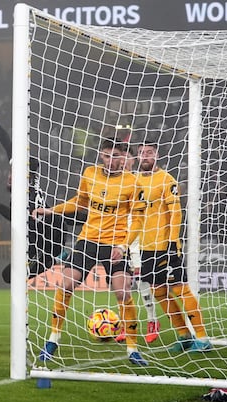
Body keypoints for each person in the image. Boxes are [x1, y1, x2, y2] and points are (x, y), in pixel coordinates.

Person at [32, 139, 149, 366]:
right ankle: (53, 339)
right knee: (66, 284)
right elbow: (80, 202)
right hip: (88, 239)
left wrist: (123, 246)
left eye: (115, 156)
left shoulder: (132, 182)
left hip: (115, 244)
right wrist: (50, 210)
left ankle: (133, 349)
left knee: (123, 292)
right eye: (106, 156)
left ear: (123, 157)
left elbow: (139, 220)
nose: (110, 161)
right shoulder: (90, 173)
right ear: (101, 155)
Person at [0, 98, 67, 283]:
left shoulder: (28, 186)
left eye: (14, 173)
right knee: (8, 276)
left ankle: (52, 257)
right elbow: (9, 148)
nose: (10, 175)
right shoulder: (18, 194)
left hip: (52, 236)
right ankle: (37, 263)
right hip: (35, 240)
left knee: (52, 222)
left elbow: (10, 148)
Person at [136, 142, 212, 352]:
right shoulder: (134, 181)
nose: (145, 157)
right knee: (158, 291)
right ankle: (183, 335)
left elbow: (176, 213)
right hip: (145, 247)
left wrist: (172, 242)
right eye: (141, 153)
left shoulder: (166, 179)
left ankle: (203, 339)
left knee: (180, 289)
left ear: (157, 155)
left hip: (165, 246)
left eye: (149, 153)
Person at [115, 146, 160, 344]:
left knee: (142, 283)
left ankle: (152, 321)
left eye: (127, 158)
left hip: (138, 239)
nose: (123, 161)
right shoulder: (118, 181)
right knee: (121, 285)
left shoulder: (139, 181)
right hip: (118, 237)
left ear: (133, 160)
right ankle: (127, 324)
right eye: (121, 158)